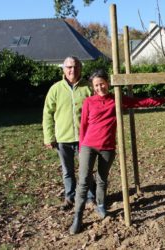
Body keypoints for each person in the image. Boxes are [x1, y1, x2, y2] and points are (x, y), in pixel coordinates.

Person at [69, 69, 165, 234]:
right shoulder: (89, 102)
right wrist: (81, 148)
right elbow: (83, 127)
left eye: (102, 84)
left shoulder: (116, 99)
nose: (100, 87)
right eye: (96, 85)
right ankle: (78, 217)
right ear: (93, 87)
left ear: (107, 83)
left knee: (102, 179)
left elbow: (141, 102)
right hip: (88, 146)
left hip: (107, 147)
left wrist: (163, 100)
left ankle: (101, 206)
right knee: (83, 181)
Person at [42, 56, 95, 210]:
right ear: (64, 69)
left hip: (84, 138)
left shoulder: (88, 87)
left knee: (86, 170)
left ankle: (90, 198)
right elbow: (47, 113)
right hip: (62, 138)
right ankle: (70, 197)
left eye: (76, 66)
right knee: (67, 171)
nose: (73, 70)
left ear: (81, 68)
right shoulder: (56, 89)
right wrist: (48, 136)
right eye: (69, 67)